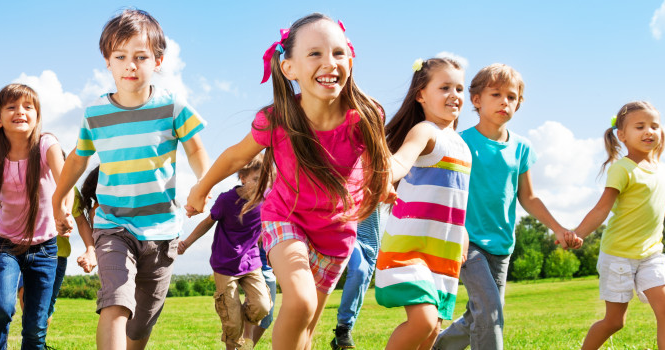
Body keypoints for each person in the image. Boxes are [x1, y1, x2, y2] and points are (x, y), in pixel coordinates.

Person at [186, 13, 390, 350]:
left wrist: (384, 184)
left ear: (350, 61)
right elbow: (236, 156)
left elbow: (380, 165)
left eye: (339, 53)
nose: (330, 62)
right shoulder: (278, 119)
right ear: (289, 68)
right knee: (300, 302)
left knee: (305, 333)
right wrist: (201, 188)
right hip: (286, 220)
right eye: (315, 54)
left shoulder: (366, 116)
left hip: (336, 235)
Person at [51, 8, 211, 349]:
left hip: (162, 230)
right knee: (116, 300)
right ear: (108, 61)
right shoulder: (96, 114)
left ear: (158, 60)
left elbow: (196, 151)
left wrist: (203, 185)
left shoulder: (172, 107)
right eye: (120, 56)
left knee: (140, 326)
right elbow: (78, 159)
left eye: (140, 57)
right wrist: (59, 197)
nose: (130, 65)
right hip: (112, 225)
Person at [433, 63, 580, 350]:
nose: (504, 101)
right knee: (490, 312)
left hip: (502, 246)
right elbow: (447, 193)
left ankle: (436, 347)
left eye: (511, 97)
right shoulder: (462, 143)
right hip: (467, 241)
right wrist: (456, 231)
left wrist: (559, 228)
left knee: (480, 314)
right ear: (476, 100)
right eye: (496, 94)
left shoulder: (522, 148)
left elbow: (529, 197)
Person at [572, 101, 665, 350]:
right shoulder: (622, 169)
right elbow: (602, 208)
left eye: (655, 126)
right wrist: (578, 234)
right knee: (614, 322)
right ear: (622, 136)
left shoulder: (663, 172)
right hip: (618, 256)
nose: (649, 131)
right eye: (639, 126)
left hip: (651, 254)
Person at [0, 84, 70, 349]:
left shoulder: (46, 145)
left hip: (45, 249)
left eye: (28, 107)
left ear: (37, 116)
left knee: (36, 328)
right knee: (2, 307)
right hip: (6, 247)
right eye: (11, 107)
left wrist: (63, 210)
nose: (20, 112)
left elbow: (65, 181)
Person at [374, 56, 470, 350]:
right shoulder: (426, 131)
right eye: (444, 88)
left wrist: (462, 232)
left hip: (442, 251)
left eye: (459, 89)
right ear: (421, 95)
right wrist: (385, 179)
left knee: (431, 331)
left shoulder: (462, 146)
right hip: (410, 248)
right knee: (424, 321)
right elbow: (401, 160)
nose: (454, 95)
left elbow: (456, 199)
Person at [179, 154, 271, 350]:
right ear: (243, 177)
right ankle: (234, 337)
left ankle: (243, 332)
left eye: (264, 181)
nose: (260, 185)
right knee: (232, 319)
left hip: (251, 262)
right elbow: (207, 223)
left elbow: (265, 228)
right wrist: (186, 243)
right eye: (256, 179)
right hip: (225, 265)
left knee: (262, 305)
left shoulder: (266, 200)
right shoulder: (226, 200)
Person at [331, 206, 384, 349]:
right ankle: (343, 326)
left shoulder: (380, 183)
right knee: (358, 271)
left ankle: (342, 335)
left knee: (359, 294)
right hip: (352, 233)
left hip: (373, 243)